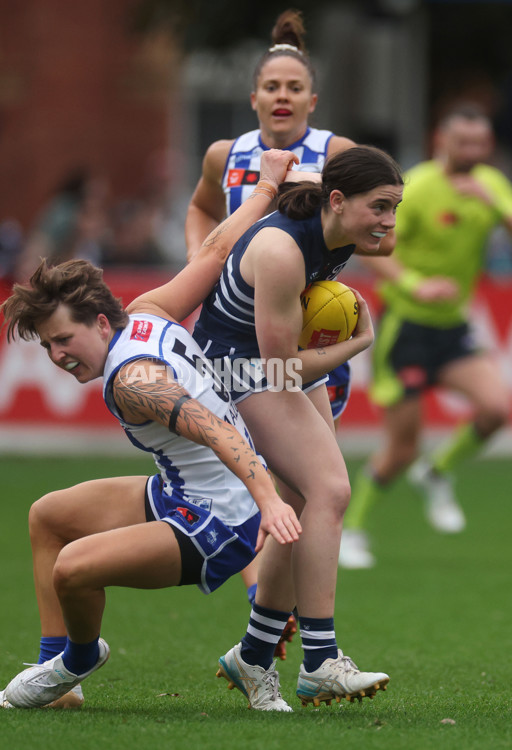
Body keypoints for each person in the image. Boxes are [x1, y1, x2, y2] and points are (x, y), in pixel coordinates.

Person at [0, 151, 303, 710]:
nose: (57, 356)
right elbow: (214, 249)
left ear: (100, 323)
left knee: (73, 569)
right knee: (48, 517)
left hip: (214, 524)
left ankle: (76, 662)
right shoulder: (149, 310)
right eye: (48, 346)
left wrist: (268, 505)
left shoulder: (132, 381)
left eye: (64, 340)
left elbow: (215, 433)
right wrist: (266, 187)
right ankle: (59, 678)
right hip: (183, 492)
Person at [184, 7, 395, 655]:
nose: (281, 96)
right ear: (253, 97)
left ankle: (263, 636)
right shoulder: (228, 154)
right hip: (250, 347)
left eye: (293, 87)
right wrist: (203, 263)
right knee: (307, 492)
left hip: (304, 344)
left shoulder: (336, 157)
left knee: (308, 494)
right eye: (270, 87)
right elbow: (200, 209)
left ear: (312, 99)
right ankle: (284, 637)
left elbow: (378, 229)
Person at [189, 144, 403, 711]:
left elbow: (374, 226)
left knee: (305, 498)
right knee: (331, 491)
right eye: (381, 207)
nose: (389, 222)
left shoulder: (338, 224)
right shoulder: (282, 248)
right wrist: (357, 343)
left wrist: (371, 214)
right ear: (336, 201)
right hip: (237, 368)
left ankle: (254, 657)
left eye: (396, 208)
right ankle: (320, 660)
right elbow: (279, 369)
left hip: (276, 360)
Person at [339, 104, 512, 570]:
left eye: (481, 143)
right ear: (443, 140)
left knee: (497, 409)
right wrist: (416, 283)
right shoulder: (416, 189)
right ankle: (350, 529)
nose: (473, 151)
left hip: (453, 328)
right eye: (464, 142)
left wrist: (494, 205)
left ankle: (437, 473)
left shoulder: (492, 186)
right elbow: (367, 244)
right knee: (402, 447)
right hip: (407, 325)